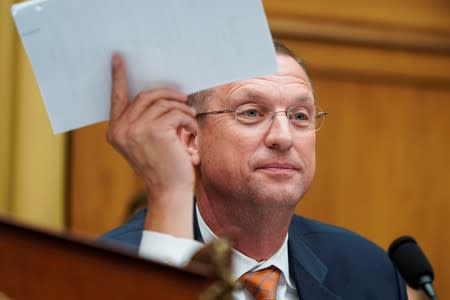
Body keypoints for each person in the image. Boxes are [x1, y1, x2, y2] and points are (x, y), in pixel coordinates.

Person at [99, 41, 407, 299]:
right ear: (191, 138)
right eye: (251, 113)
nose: (283, 137)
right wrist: (170, 191)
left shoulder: (369, 271)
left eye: (300, 116)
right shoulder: (105, 270)